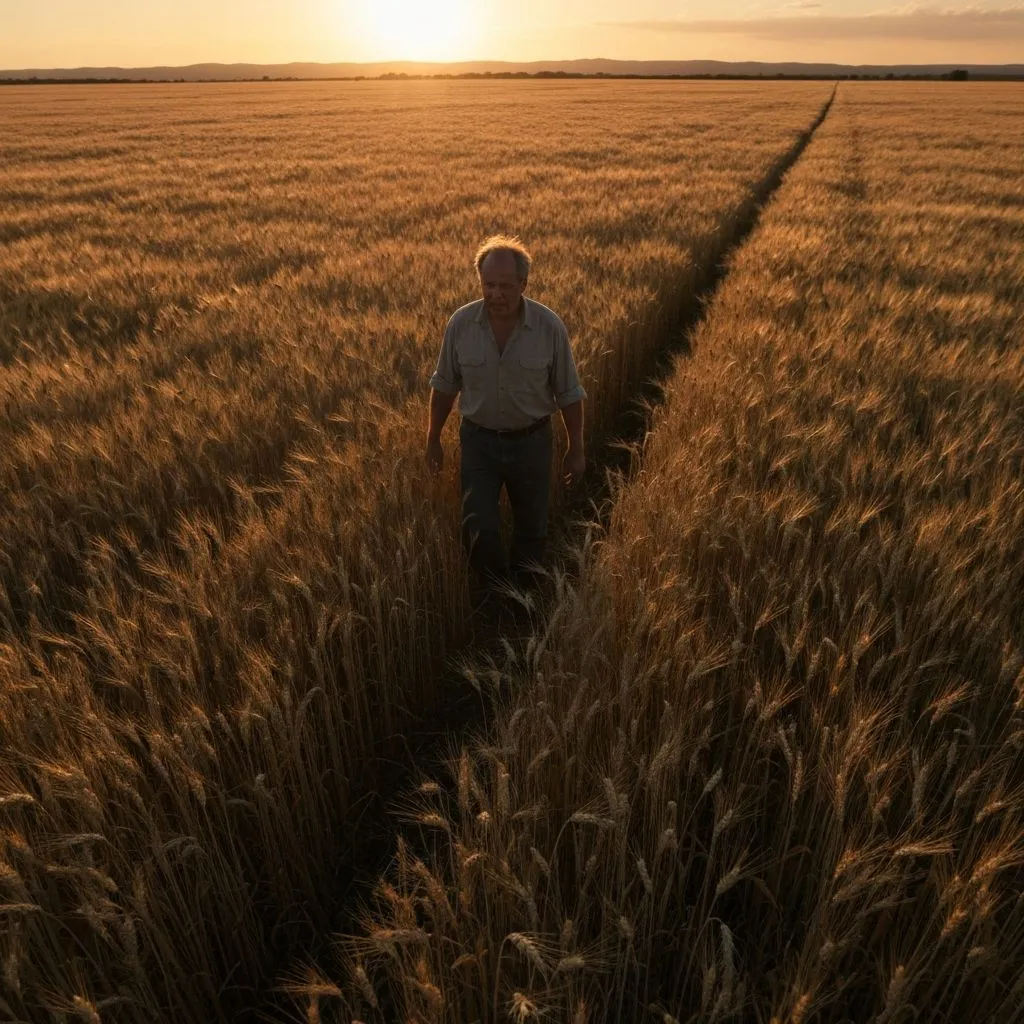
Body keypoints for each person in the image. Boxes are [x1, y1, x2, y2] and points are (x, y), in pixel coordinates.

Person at [425, 235, 587, 599]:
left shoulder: (549, 328)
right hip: (478, 443)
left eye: (505, 286)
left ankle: (524, 603)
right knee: (477, 529)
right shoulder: (461, 325)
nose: (496, 294)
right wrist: (433, 438)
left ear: (524, 285)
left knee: (531, 529)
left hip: (532, 443)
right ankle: (498, 596)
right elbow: (445, 386)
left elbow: (570, 394)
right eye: (489, 284)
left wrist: (576, 449)